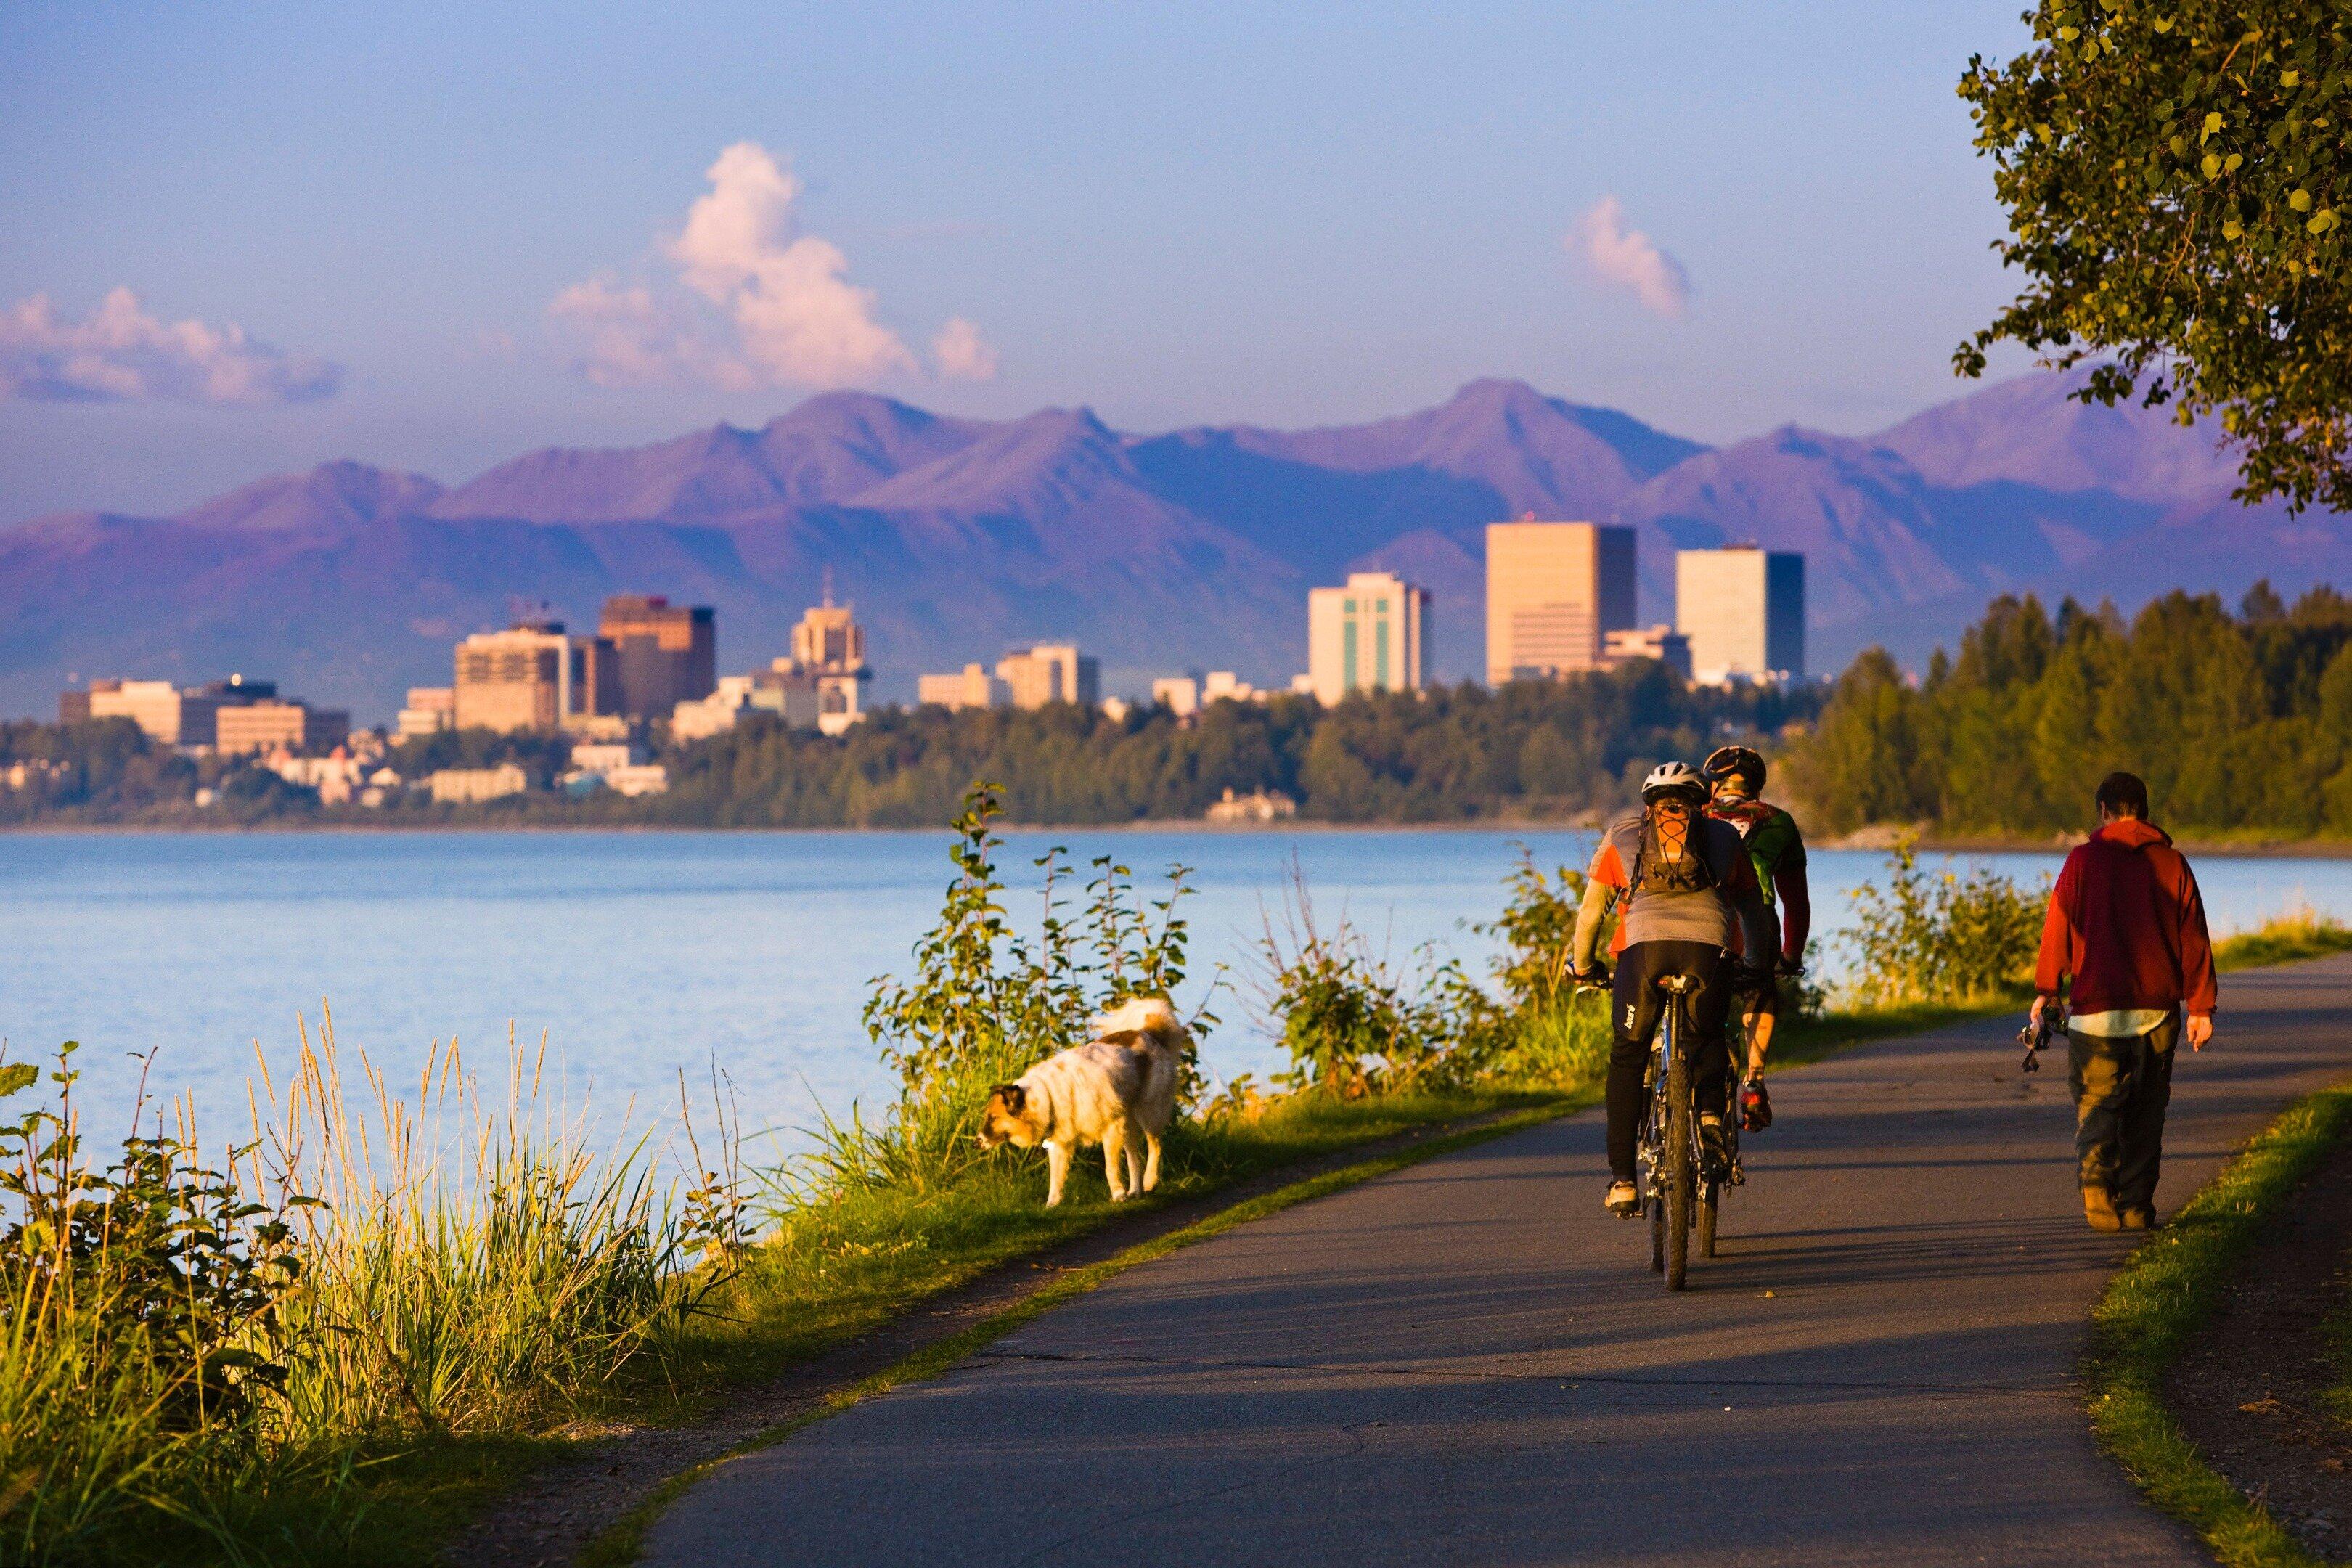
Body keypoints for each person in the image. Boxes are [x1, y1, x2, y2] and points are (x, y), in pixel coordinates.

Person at [1571, 760, 1779, 1217]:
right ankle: (1707, 1118)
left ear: (1649, 804)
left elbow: (1590, 917)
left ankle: (1624, 1181)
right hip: (1709, 948)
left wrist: (1583, 966)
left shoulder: (1623, 836)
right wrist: (1757, 966)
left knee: (1629, 1053)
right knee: (1705, 1036)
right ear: (1700, 802)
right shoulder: (1724, 838)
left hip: (1644, 951)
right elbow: (1754, 913)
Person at [2031, 770, 2217, 1232]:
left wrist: (2047, 991)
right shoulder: (2173, 864)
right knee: (2147, 1112)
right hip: (2157, 1011)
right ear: (2147, 813)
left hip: (2095, 1012)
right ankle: (2135, 1208)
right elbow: (2193, 937)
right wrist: (2201, 1007)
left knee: (2097, 1102)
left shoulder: (2081, 862)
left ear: (2103, 812)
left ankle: (2097, 1193)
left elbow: (2057, 928)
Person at [1702, 745, 1812, 1133]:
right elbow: (1796, 902)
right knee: (1758, 990)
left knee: (1702, 1003)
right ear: (1757, 787)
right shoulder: (1780, 822)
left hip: (1703, 920)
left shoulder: (1697, 817)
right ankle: (1754, 1081)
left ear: (1714, 783)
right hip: (1758, 921)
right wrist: (1790, 956)